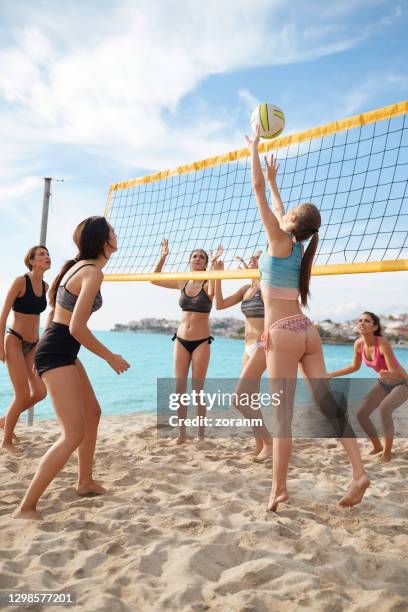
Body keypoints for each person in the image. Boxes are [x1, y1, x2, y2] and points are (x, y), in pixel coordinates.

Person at [245, 125, 370, 511]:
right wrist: (275, 181)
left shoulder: (280, 241)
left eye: (292, 212)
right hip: (305, 330)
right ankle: (358, 471)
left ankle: (279, 489)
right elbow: (278, 208)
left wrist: (254, 148)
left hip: (281, 333)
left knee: (282, 417)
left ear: (294, 224)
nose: (286, 212)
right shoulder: (297, 246)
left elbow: (257, 195)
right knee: (327, 405)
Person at [13, 217, 130, 520]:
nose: (117, 234)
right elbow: (77, 327)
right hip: (58, 350)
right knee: (73, 433)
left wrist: (43, 352)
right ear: (104, 242)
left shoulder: (75, 267)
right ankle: (25, 507)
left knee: (93, 413)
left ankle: (85, 481)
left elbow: (56, 315)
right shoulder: (90, 272)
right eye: (113, 232)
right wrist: (109, 356)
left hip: (59, 348)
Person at [152, 239, 215, 444]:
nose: (198, 259)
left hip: (201, 341)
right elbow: (154, 279)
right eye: (194, 256)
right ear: (189, 261)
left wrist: (215, 267)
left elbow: (216, 293)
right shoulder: (182, 282)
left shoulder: (210, 281)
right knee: (179, 388)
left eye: (201, 257)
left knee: (197, 390)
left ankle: (201, 435)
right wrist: (164, 255)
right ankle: (181, 434)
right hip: (180, 339)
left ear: (205, 263)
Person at [212, 252, 272, 461]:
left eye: (258, 257)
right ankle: (259, 445)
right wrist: (217, 275)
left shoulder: (268, 287)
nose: (253, 260)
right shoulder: (246, 289)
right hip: (246, 346)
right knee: (250, 399)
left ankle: (269, 442)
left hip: (263, 345)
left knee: (238, 398)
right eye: (252, 258)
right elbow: (219, 305)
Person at [328, 312, 408, 462]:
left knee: (385, 409)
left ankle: (387, 453)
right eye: (360, 320)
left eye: (367, 321)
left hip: (402, 383)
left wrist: (386, 373)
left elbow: (394, 371)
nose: (362, 323)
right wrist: (331, 374)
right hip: (384, 382)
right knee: (361, 414)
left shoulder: (382, 343)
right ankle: (377, 446)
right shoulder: (359, 344)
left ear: (375, 327)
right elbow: (354, 366)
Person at [0, 246, 51, 452]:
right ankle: (7, 441)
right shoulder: (20, 282)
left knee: (39, 392)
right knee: (21, 395)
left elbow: (39, 316)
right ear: (31, 261)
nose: (47, 257)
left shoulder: (46, 286)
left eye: (48, 254)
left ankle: (5, 420)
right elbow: (3, 315)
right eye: (41, 254)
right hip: (14, 341)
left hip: (33, 344)